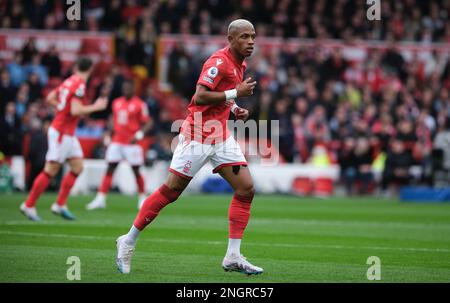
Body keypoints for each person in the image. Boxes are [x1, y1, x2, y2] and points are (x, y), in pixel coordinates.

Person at [115, 19, 263, 275]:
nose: (250, 41)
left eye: (253, 36)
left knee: (246, 188)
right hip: (197, 135)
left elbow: (222, 98)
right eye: (244, 37)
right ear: (231, 39)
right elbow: (200, 96)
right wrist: (235, 94)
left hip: (221, 137)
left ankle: (233, 255)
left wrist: (235, 108)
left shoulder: (240, 64)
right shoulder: (218, 62)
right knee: (171, 191)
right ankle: (127, 241)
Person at [20, 57, 108, 221]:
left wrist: (60, 109)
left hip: (67, 132)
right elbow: (75, 110)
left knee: (77, 167)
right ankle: (29, 205)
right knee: (51, 170)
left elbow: (51, 97)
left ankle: (60, 204)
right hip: (61, 132)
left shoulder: (69, 81)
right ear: (90, 69)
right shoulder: (79, 85)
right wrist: (95, 107)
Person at [86, 80, 152, 210]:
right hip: (117, 141)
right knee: (110, 168)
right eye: (124, 88)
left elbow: (149, 122)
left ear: (133, 89)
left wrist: (139, 135)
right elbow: (113, 119)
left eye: (128, 88)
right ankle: (100, 198)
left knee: (136, 170)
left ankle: (142, 198)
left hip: (131, 143)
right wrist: (108, 134)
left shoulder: (139, 104)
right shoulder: (117, 103)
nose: (126, 90)